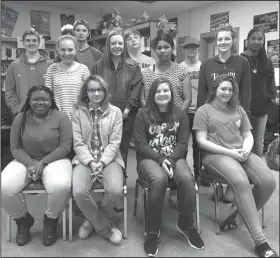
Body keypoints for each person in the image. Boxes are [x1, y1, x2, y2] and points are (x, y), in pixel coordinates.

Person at [193, 74, 277, 258]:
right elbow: (201, 141)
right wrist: (230, 152)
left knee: (269, 181)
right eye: (223, 89)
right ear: (215, 89)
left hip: (240, 152)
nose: (227, 93)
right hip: (214, 156)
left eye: (230, 90)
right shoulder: (203, 110)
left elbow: (248, 134)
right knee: (240, 181)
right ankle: (260, 241)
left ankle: (239, 216)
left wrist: (246, 148)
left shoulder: (238, 109)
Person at [134, 77, 204, 256]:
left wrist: (170, 160)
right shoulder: (142, 114)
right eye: (158, 91)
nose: (162, 94)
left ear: (171, 94)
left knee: (187, 179)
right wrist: (160, 159)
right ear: (152, 94)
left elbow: (182, 144)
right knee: (159, 179)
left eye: (166, 90)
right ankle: (152, 231)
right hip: (148, 158)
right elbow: (141, 145)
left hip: (174, 157)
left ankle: (186, 224)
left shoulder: (180, 114)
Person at [1, 85, 73, 247]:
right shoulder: (21, 118)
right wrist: (29, 164)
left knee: (61, 185)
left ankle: (51, 220)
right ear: (29, 101)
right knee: (4, 186)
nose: (40, 102)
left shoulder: (61, 118)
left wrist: (42, 163)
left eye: (45, 99)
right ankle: (23, 221)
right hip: (25, 159)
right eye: (36, 99)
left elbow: (65, 147)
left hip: (56, 159)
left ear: (51, 101)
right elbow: (15, 147)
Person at [197, 24, 252, 203]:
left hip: (234, 114)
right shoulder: (206, 64)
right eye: (220, 39)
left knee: (234, 146)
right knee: (215, 148)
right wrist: (201, 115)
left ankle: (231, 187)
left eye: (227, 38)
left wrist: (244, 115)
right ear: (215, 42)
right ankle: (218, 182)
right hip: (211, 114)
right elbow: (203, 92)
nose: (223, 42)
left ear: (233, 40)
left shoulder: (242, 62)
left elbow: (246, 90)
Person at [141, 30, 192, 209]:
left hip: (176, 122)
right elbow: (143, 98)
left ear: (172, 48)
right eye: (159, 48)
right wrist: (151, 118)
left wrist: (176, 119)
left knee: (177, 154)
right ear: (154, 50)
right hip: (152, 122)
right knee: (155, 154)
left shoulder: (182, 71)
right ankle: (157, 185)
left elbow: (187, 99)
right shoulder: (147, 72)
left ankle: (175, 191)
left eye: (166, 47)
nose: (163, 51)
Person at [72, 74, 124, 245]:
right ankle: (104, 228)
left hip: (109, 159)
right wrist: (91, 162)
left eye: (99, 90)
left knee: (116, 190)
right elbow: (78, 143)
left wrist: (101, 162)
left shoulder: (115, 112)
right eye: (91, 90)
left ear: (105, 91)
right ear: (86, 92)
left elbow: (115, 143)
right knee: (79, 192)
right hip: (85, 160)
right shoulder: (77, 112)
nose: (95, 94)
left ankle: (90, 221)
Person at [92, 29, 143, 167]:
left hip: (126, 115)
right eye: (113, 43)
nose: (117, 46)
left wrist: (126, 111)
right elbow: (94, 89)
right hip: (103, 113)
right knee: (102, 147)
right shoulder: (98, 66)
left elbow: (136, 90)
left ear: (124, 45)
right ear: (108, 45)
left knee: (123, 149)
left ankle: (122, 179)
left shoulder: (133, 67)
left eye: (120, 43)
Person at [241, 28, 277, 157]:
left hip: (262, 109)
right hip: (243, 108)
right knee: (244, 142)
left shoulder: (267, 62)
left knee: (258, 143)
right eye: (253, 39)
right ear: (247, 41)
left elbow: (271, 84)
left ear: (263, 41)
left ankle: (258, 174)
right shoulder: (241, 59)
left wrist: (270, 98)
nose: (256, 41)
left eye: (260, 39)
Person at [179, 36, 209, 186]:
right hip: (184, 111)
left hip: (201, 111)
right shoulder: (178, 67)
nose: (191, 49)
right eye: (188, 47)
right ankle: (184, 174)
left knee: (199, 145)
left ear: (198, 48)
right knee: (182, 145)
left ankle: (200, 174)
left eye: (194, 46)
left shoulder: (204, 67)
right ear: (183, 49)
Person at [5, 29, 53, 117]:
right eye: (28, 40)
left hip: (47, 114)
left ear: (39, 43)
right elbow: (9, 91)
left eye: (34, 40)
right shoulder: (14, 66)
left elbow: (55, 90)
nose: (31, 43)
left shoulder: (50, 65)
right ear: (23, 43)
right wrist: (17, 110)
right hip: (22, 114)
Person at [45, 34, 90, 119]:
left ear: (76, 50)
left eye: (70, 50)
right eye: (63, 50)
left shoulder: (84, 69)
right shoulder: (52, 69)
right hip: (58, 119)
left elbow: (88, 97)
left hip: (80, 119)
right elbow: (48, 96)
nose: (67, 53)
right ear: (57, 50)